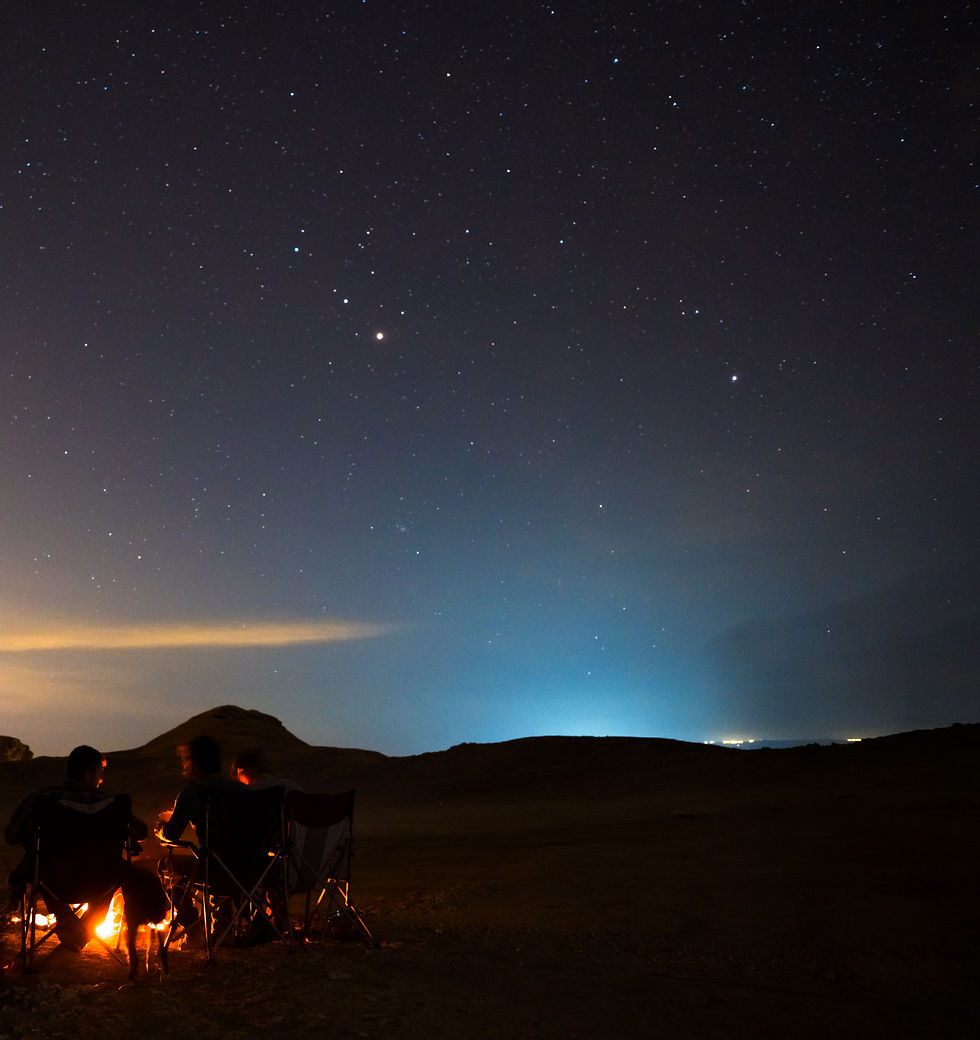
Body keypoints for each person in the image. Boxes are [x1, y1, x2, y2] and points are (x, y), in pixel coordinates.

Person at [4, 745, 165, 953]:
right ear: (88, 774)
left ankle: (68, 928)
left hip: (55, 880)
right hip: (100, 882)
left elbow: (11, 836)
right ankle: (80, 935)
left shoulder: (40, 800)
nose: (101, 780)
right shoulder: (113, 805)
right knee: (112, 871)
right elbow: (140, 832)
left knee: (38, 864)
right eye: (100, 773)